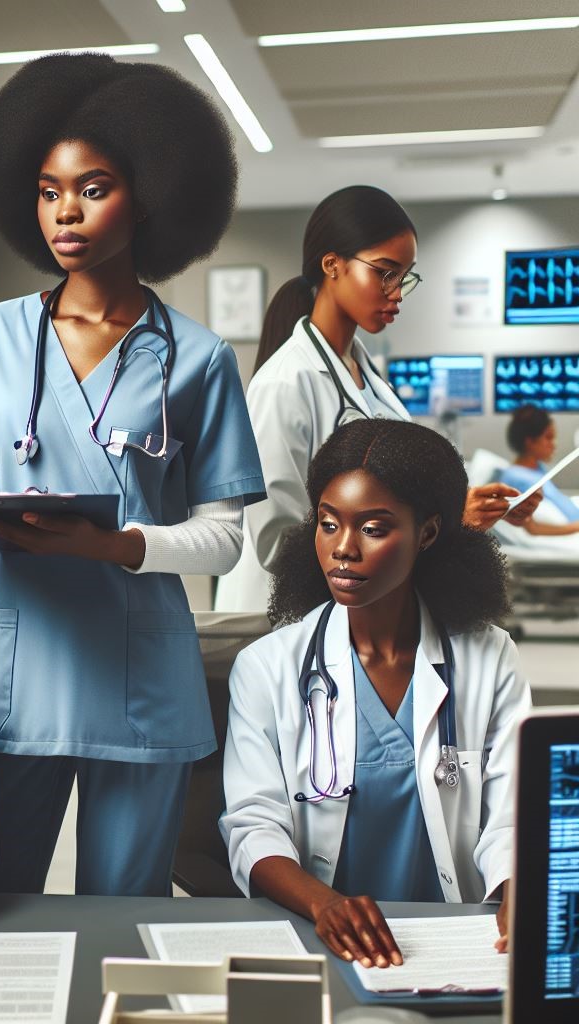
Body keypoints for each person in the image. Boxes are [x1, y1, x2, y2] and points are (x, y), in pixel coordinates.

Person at [0, 54, 265, 897]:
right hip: (20, 674)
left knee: (121, 919)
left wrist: (112, 545)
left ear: (146, 195)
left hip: (141, 676)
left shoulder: (198, 359)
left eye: (93, 186)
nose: (65, 211)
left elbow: (221, 540)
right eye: (47, 189)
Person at [220, 419, 529, 968]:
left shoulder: (489, 658)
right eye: (328, 523)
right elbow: (253, 825)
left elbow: (510, 815)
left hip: (457, 938)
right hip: (325, 936)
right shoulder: (266, 668)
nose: (343, 549)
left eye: (373, 528)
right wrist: (326, 906)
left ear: (428, 534)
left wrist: (514, 894)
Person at [214, 185, 538, 614]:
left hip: (355, 614)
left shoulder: (369, 378)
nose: (397, 292)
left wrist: (457, 509)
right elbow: (279, 543)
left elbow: (393, 492)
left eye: (404, 276)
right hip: (289, 623)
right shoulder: (286, 384)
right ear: (332, 265)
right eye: (385, 272)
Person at [500, 404, 579, 535]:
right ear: (530, 442)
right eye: (548, 437)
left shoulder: (537, 468)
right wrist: (576, 528)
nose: (554, 444)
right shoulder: (516, 479)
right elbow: (533, 529)